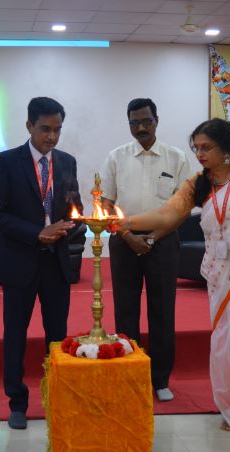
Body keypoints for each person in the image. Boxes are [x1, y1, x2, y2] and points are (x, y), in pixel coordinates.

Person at [118, 118, 230, 435]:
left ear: (227, 148)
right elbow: (167, 215)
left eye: (207, 148)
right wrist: (121, 220)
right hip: (220, 276)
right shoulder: (200, 182)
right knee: (225, 344)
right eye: (197, 148)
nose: (200, 155)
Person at [0, 96, 83, 430]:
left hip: (56, 263)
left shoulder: (67, 162)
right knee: (15, 334)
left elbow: (74, 208)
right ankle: (17, 402)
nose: (51, 137)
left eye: (57, 130)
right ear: (28, 125)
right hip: (19, 262)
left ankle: (56, 395)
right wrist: (37, 233)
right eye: (45, 129)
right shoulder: (7, 162)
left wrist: (74, 224)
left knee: (57, 335)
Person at [100, 98, 191, 402]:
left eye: (145, 121)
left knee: (162, 311)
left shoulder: (176, 158)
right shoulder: (116, 157)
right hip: (124, 240)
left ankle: (160, 379)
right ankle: (130, 376)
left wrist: (152, 237)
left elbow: (182, 207)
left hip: (163, 241)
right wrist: (127, 234)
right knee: (126, 311)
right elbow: (106, 202)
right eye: (133, 123)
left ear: (157, 120)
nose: (140, 127)